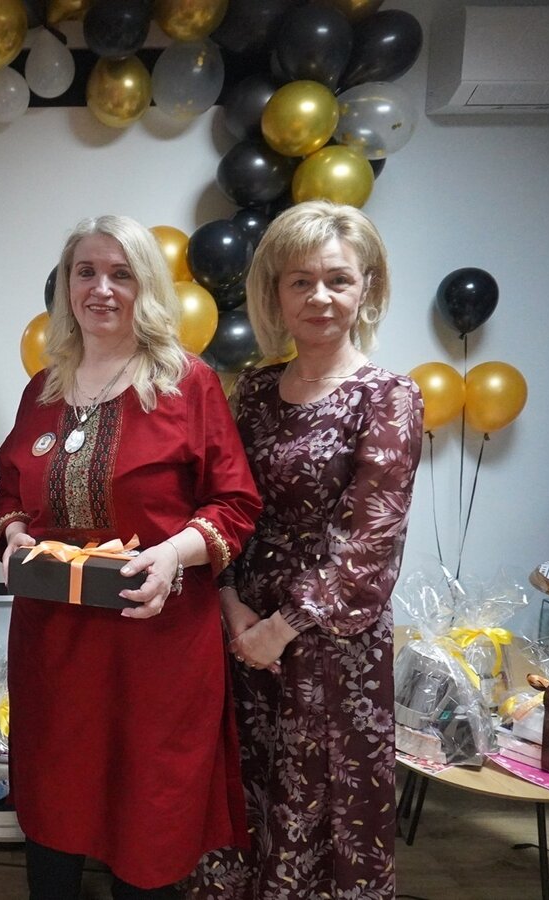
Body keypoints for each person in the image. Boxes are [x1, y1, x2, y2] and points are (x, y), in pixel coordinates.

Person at [0, 216, 262, 899]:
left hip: (156, 645)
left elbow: (235, 502)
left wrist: (173, 554)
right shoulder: (42, 390)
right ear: (67, 286)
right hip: (54, 647)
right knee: (54, 802)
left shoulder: (187, 384)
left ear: (146, 287)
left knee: (147, 815)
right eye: (85, 272)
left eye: (121, 273)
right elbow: (9, 491)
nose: (101, 288)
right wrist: (14, 531)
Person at [198, 201, 423, 899]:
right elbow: (227, 501)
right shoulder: (255, 390)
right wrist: (229, 602)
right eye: (300, 281)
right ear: (275, 293)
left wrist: (283, 626)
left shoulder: (388, 397)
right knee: (244, 794)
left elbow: (371, 540)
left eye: (337, 279)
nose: (319, 297)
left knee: (318, 804)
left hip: (329, 643)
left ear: (366, 288)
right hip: (242, 633)